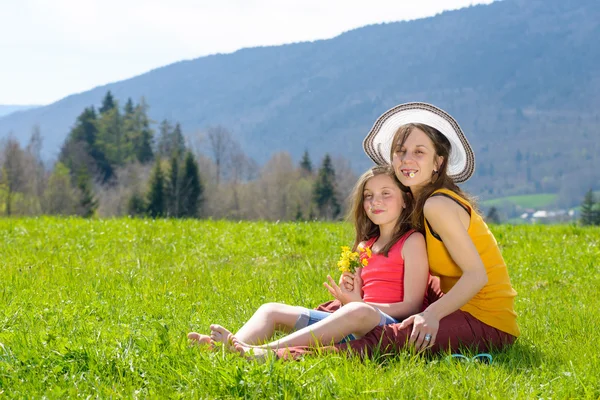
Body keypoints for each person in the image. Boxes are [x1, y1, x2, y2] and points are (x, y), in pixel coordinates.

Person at [276, 102, 520, 359]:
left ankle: (285, 355)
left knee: (394, 337)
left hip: (487, 320)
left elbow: (477, 275)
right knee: (347, 309)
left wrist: (431, 314)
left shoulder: (438, 204)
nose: (407, 160)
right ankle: (307, 323)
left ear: (438, 162)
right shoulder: (417, 203)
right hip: (455, 303)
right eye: (400, 151)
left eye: (419, 152)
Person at [188, 165, 429, 358]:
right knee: (271, 309)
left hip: (387, 327)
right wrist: (350, 298)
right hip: (354, 319)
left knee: (358, 310)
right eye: (368, 196)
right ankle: (226, 349)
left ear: (405, 200)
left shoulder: (412, 241)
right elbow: (359, 300)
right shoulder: (365, 246)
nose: (375, 201)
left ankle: (262, 351)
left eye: (386, 194)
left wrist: (360, 305)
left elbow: (413, 306)